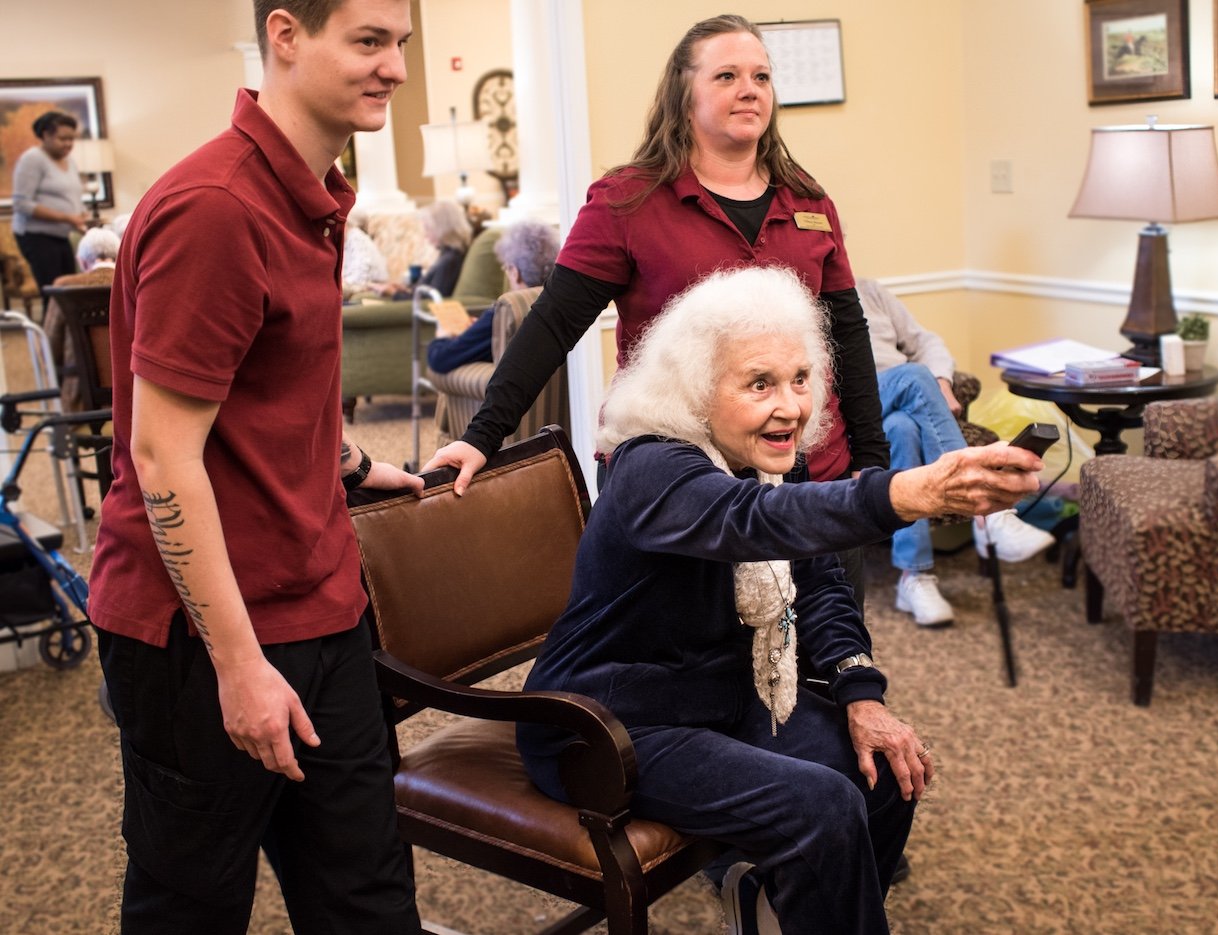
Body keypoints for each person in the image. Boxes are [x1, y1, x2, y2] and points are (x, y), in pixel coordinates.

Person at [517, 266, 1043, 935]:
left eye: (801, 379)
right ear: (697, 390)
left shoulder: (770, 458)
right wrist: (908, 493)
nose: (791, 405)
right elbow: (753, 521)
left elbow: (817, 581)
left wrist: (861, 692)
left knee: (882, 770)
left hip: (716, 694)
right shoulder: (651, 467)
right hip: (604, 722)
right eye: (760, 383)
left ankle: (777, 910)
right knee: (818, 805)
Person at [86, 2, 423, 932]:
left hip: (323, 609)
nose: (394, 66)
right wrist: (239, 664)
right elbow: (161, 454)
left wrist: (351, 466)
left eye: (400, 43)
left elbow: (273, 389)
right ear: (285, 36)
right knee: (191, 909)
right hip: (203, 639)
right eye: (367, 41)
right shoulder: (217, 209)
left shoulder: (315, 191)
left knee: (368, 900)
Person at [424, 16, 890, 603]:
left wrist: (870, 462)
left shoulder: (809, 201)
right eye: (727, 75)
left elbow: (846, 333)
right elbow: (553, 325)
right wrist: (483, 434)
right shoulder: (628, 200)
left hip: (810, 476)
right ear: (683, 93)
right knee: (693, 673)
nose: (750, 89)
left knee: (825, 653)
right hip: (684, 485)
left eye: (762, 77)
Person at [858, 277, 1054, 627]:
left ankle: (913, 577)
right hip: (851, 407)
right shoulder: (801, 296)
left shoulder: (868, 290)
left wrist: (943, 383)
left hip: (897, 405)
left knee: (903, 430)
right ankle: (988, 514)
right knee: (915, 378)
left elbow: (925, 341)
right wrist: (922, 382)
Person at [425, 218, 559, 373]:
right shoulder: (560, 301)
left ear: (515, 273)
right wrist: (476, 329)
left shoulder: (502, 314)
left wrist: (442, 337)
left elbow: (440, 359)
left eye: (506, 268)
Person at [43, 226, 121, 413]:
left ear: (82, 262)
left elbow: (49, 348)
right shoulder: (134, 281)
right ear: (119, 258)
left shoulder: (65, 287)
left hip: (80, 401)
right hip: (132, 399)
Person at [11, 110, 87, 291]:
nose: (68, 144)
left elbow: (72, 194)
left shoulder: (69, 160)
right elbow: (22, 204)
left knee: (70, 292)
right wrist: (67, 218)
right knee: (55, 294)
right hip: (37, 237)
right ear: (46, 135)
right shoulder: (32, 159)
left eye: (71, 139)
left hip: (61, 236)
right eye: (63, 139)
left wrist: (82, 217)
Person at [416, 198, 472, 296]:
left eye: (428, 229)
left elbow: (432, 299)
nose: (426, 235)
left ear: (440, 229)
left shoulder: (450, 260)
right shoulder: (450, 254)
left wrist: (395, 294)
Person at [340, 204, 395, 300]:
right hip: (359, 287)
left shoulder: (356, 237)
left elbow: (360, 277)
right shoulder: (348, 240)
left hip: (370, 289)